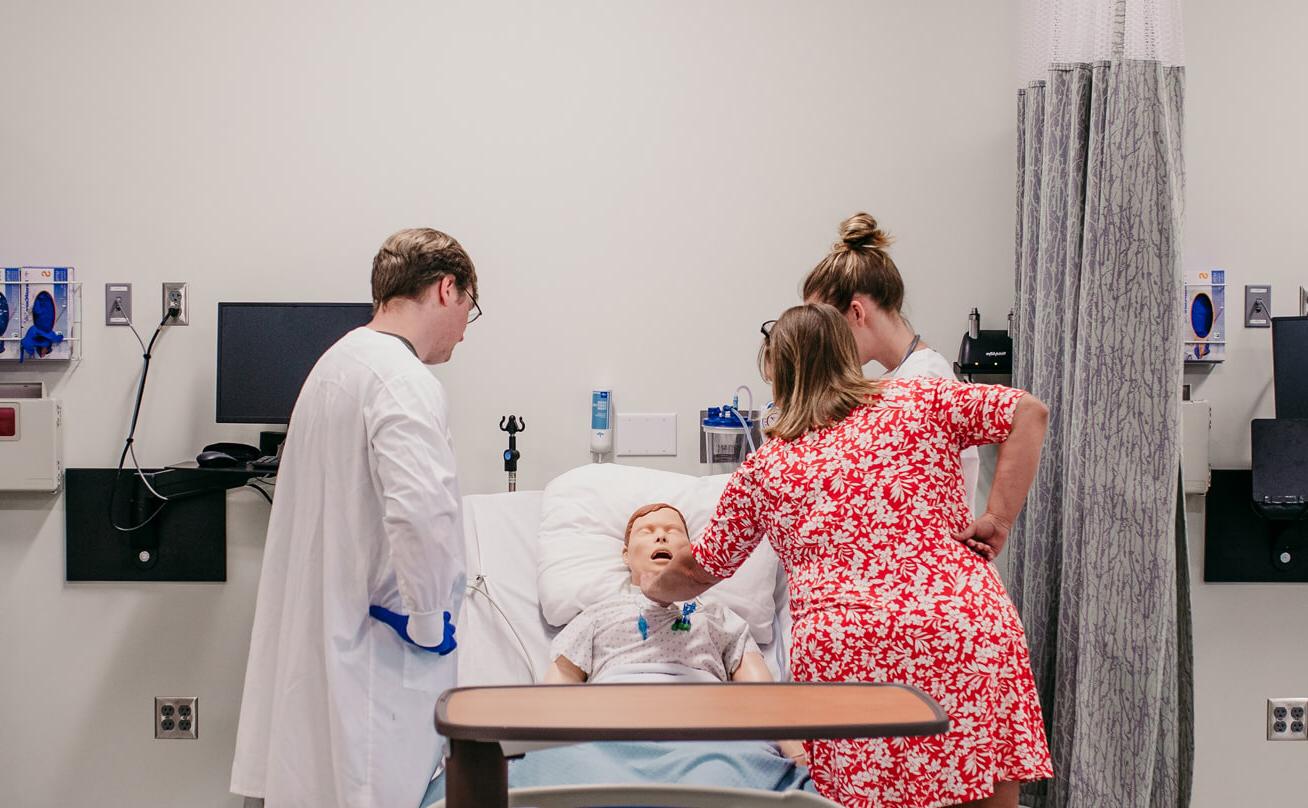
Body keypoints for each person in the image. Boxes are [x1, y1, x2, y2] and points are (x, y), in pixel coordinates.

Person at [641, 304, 1053, 808]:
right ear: (847, 354)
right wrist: (999, 517)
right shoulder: (919, 397)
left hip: (851, 656)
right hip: (962, 631)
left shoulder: (768, 465)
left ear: (777, 372)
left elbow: (699, 568)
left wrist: (651, 585)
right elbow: (1028, 413)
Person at [231, 228, 481, 808]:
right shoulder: (404, 380)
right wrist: (427, 619)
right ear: (447, 289)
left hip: (333, 638)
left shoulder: (336, 364)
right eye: (470, 307)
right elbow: (420, 513)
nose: (467, 329)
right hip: (382, 653)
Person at [802, 212, 982, 515]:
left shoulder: (922, 381)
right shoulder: (905, 376)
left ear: (857, 313)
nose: (824, 343)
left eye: (826, 328)